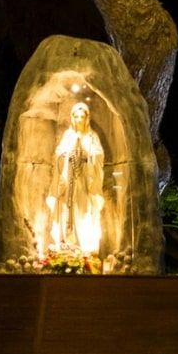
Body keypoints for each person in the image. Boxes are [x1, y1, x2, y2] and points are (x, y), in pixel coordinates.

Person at [48, 102, 105, 255]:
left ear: (87, 118)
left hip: (85, 181)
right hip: (68, 181)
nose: (79, 119)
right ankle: (67, 243)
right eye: (76, 116)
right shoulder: (68, 136)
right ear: (72, 118)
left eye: (82, 116)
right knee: (67, 210)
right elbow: (58, 155)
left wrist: (87, 154)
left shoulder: (92, 137)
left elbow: (99, 157)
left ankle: (84, 245)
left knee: (84, 210)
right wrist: (67, 156)